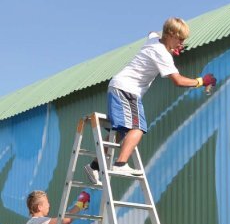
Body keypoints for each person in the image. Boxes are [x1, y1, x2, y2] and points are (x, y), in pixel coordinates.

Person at [84, 17, 217, 184]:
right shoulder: (161, 53)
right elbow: (178, 81)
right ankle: (120, 164)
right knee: (138, 127)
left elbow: (152, 33)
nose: (181, 43)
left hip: (119, 87)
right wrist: (201, 81)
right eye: (180, 39)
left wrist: (171, 48)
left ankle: (95, 166)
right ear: (171, 34)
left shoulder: (154, 40)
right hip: (128, 90)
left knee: (120, 133)